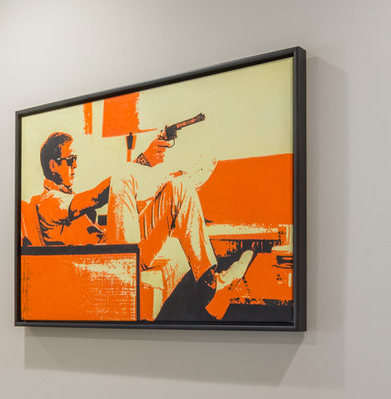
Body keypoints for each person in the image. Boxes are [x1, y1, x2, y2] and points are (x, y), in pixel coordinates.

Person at [31, 130, 252, 317]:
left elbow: (100, 198)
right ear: (53, 165)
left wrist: (145, 160)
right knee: (122, 176)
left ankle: (210, 284)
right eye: (71, 159)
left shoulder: (64, 197)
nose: (76, 165)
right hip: (110, 265)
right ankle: (171, 176)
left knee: (180, 187)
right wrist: (142, 165)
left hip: (114, 254)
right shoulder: (49, 201)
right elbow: (95, 197)